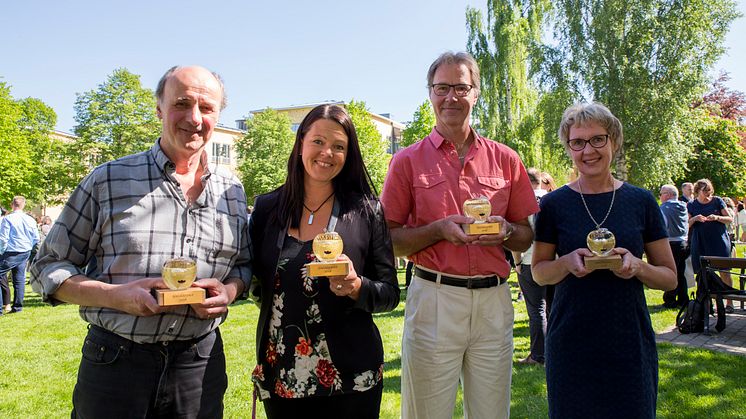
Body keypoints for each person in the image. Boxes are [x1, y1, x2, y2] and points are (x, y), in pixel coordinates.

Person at [30, 65, 251, 417]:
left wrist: (231, 291)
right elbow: (46, 267)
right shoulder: (108, 179)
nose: (194, 118)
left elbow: (243, 266)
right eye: (182, 103)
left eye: (206, 108)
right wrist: (114, 296)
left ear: (218, 114)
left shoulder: (233, 192)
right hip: (117, 363)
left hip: (199, 364)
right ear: (159, 109)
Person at [381, 51, 538, 419]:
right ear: (430, 93)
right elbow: (388, 239)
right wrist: (437, 231)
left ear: (476, 93)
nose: (451, 97)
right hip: (434, 298)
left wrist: (506, 230)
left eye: (461, 87)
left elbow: (525, 237)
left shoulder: (506, 159)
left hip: (493, 303)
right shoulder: (406, 160)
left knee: (491, 413)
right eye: (442, 88)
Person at [249, 104, 399, 418]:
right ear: (301, 141)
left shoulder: (366, 211)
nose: (326, 152)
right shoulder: (266, 209)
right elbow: (256, 285)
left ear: (349, 154)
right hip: (284, 371)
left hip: (352, 375)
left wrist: (357, 287)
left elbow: (389, 293)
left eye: (339, 146)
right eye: (318, 141)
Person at [532, 102, 676, 418]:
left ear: (613, 140)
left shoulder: (641, 202)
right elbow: (540, 273)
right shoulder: (554, 205)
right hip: (571, 340)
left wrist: (637, 267)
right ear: (568, 147)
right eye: (578, 142)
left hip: (628, 340)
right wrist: (567, 262)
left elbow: (669, 278)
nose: (588, 150)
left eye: (598, 139)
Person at [512, 168, 550, 366]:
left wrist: (516, 262)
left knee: (536, 310)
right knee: (553, 309)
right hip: (554, 261)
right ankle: (554, 352)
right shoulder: (554, 199)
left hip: (529, 260)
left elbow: (516, 236)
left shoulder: (522, 202)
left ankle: (537, 355)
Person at [687, 178, 734, 313]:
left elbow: (729, 218)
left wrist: (717, 217)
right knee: (703, 273)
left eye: (709, 190)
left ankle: (729, 302)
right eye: (705, 190)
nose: (708, 193)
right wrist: (695, 219)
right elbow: (687, 224)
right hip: (700, 241)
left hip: (718, 240)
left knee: (724, 270)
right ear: (697, 191)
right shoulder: (692, 205)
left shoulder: (717, 201)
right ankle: (708, 303)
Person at [0, 196, 40, 314]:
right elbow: (36, 238)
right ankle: (17, 307)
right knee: (19, 279)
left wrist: (1, 251)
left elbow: (3, 238)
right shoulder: (30, 220)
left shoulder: (8, 219)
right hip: (24, 251)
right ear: (23, 205)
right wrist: (28, 247)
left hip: (10, 252)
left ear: (12, 204)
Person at [659, 184, 690, 308]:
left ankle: (670, 300)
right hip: (684, 242)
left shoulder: (664, 208)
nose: (660, 196)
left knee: (671, 272)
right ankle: (683, 299)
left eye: (661, 193)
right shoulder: (683, 206)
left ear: (668, 195)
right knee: (681, 272)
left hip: (671, 243)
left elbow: (662, 226)